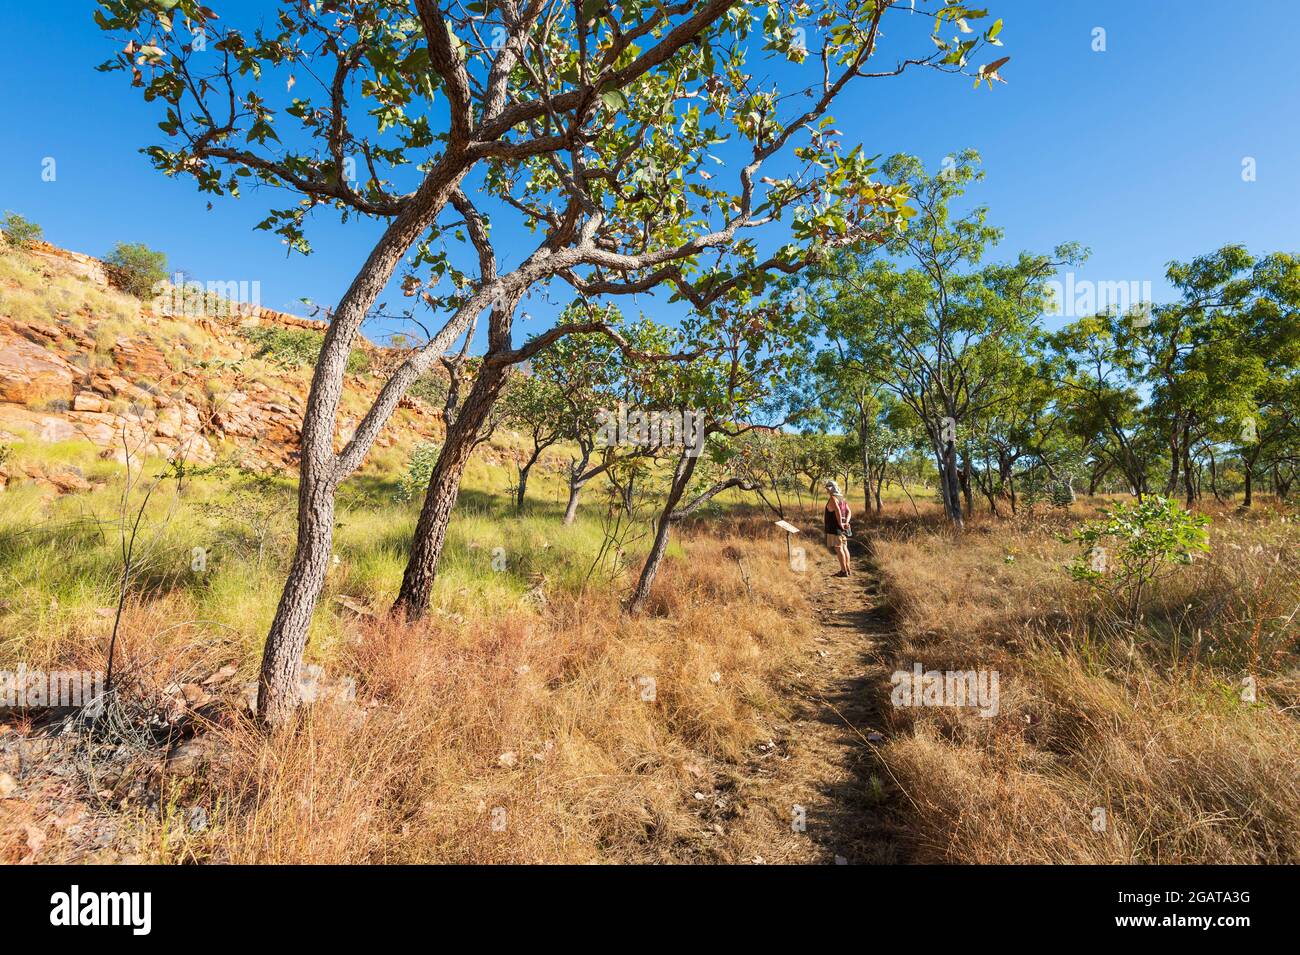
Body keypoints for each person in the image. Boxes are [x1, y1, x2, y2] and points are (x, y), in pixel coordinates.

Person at [823, 480, 852, 577]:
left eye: (828, 488)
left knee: (839, 549)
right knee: (844, 547)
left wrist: (840, 524)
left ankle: (843, 571)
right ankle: (847, 569)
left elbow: (837, 510)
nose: (827, 490)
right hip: (843, 528)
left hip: (834, 528)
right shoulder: (842, 498)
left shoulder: (833, 498)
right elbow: (849, 511)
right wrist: (846, 522)